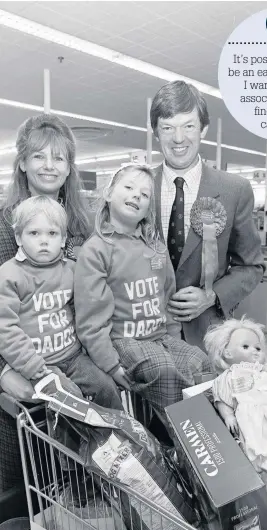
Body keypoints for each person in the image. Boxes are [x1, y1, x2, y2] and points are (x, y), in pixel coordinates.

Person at [0, 113, 119, 493]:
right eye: (39, 156)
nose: (49, 166)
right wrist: (4, 373)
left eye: (59, 158)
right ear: (21, 163)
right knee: (35, 486)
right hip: (23, 378)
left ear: (70, 168)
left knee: (85, 484)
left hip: (76, 356)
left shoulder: (83, 228)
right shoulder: (5, 227)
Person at [74, 164, 212, 434]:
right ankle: (187, 448)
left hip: (160, 338)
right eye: (128, 187)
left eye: (145, 194)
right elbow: (90, 320)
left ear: (149, 208)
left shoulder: (155, 247)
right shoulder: (97, 249)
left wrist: (174, 338)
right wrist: (110, 365)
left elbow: (167, 299)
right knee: (165, 370)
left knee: (200, 361)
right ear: (109, 193)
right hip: (124, 341)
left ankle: (206, 438)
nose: (136, 195)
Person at [150, 80, 265, 349]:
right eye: (168, 128)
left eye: (188, 126)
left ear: (204, 128)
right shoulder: (137, 189)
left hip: (209, 335)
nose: (178, 139)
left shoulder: (234, 190)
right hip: (148, 334)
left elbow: (251, 267)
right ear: (155, 132)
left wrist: (211, 295)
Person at [0, 195, 123, 410]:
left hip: (74, 356)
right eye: (34, 233)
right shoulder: (9, 275)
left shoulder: (73, 270)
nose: (44, 240)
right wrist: (29, 364)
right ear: (19, 238)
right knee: (69, 402)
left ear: (64, 239)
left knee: (105, 387)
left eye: (52, 233)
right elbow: (5, 328)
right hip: (39, 364)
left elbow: (86, 311)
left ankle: (117, 439)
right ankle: (81, 445)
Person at [204, 317, 267, 481]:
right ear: (227, 352)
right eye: (246, 346)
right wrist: (228, 415)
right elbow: (222, 399)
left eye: (258, 348)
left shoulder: (263, 372)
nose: (255, 351)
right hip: (250, 416)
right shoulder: (229, 376)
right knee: (254, 443)